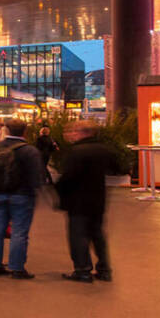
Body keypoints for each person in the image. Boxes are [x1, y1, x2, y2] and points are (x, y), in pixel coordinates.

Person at [55, 119, 118, 281]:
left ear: (83, 133)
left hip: (77, 200)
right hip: (98, 199)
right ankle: (104, 269)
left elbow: (68, 177)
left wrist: (59, 190)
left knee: (78, 236)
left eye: (73, 131)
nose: (70, 135)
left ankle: (83, 270)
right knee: (97, 234)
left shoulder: (76, 152)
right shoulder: (104, 150)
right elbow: (116, 168)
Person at [0, 119, 44, 278]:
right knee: (19, 232)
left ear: (6, 131)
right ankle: (17, 268)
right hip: (22, 196)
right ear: (25, 131)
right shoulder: (29, 151)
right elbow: (37, 176)